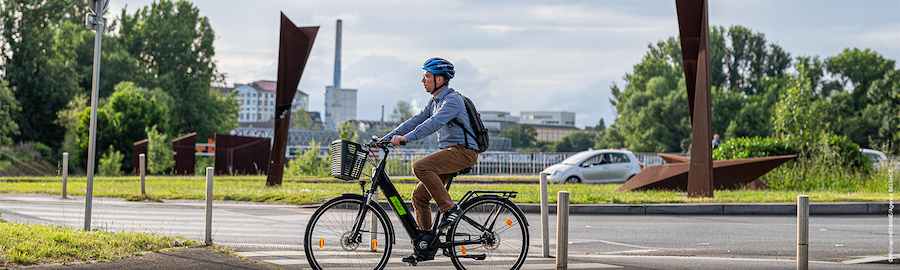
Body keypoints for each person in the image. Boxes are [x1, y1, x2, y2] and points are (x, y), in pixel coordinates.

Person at [383, 57, 479, 234]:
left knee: (420, 167)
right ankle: (425, 241)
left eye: (427, 76)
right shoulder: (434, 102)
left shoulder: (453, 100)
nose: (422, 80)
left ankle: (450, 209)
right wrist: (386, 138)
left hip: (464, 152)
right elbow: (414, 121)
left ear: (439, 79)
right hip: (450, 152)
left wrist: (406, 139)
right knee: (419, 196)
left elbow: (433, 123)